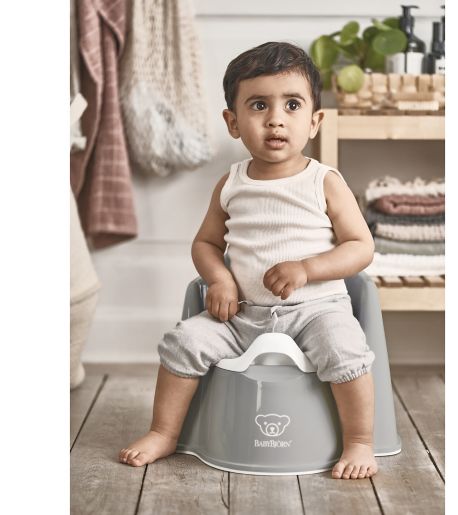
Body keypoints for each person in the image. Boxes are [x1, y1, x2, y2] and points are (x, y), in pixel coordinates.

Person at [119, 41, 378, 480]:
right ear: (233, 122)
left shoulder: (324, 181)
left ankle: (359, 441)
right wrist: (220, 280)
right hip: (242, 316)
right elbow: (205, 244)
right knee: (184, 341)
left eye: (292, 105)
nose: (276, 118)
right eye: (259, 105)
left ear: (314, 121)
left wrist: (307, 269)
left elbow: (360, 246)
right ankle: (164, 432)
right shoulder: (231, 183)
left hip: (317, 311)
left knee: (344, 350)